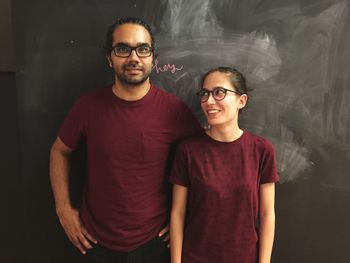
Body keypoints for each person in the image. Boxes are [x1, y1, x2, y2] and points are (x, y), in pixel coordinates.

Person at [49, 17, 202, 263]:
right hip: (94, 242)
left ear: (154, 58)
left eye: (143, 49)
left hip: (155, 245)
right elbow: (59, 151)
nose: (134, 58)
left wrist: (186, 219)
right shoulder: (87, 106)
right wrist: (63, 209)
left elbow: (206, 160)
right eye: (123, 49)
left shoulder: (174, 110)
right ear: (110, 58)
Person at [169, 66, 279, 263]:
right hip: (196, 257)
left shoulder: (262, 150)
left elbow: (267, 213)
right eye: (205, 94)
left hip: (245, 257)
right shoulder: (188, 150)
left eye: (219, 92)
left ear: (241, 100)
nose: (209, 101)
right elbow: (177, 212)